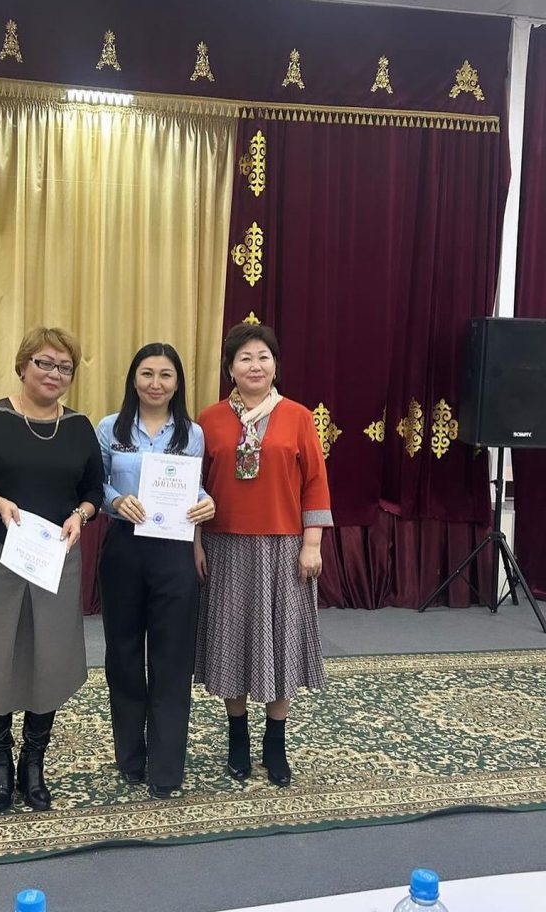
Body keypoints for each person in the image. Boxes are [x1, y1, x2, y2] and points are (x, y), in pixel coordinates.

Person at [0, 326, 103, 814]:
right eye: (44, 363)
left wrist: (82, 516)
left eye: (64, 367)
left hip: (54, 559)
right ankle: (1, 766)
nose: (54, 373)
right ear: (23, 364)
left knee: (48, 658)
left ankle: (34, 763)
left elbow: (94, 489)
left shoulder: (79, 427)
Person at [193, 323, 332, 787]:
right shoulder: (209, 420)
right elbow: (195, 488)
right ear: (230, 368)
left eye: (263, 357)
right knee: (231, 644)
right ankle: (237, 737)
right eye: (245, 358)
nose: (255, 366)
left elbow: (315, 482)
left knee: (281, 645)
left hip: (284, 548)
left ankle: (276, 741)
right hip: (225, 547)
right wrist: (196, 541)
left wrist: (311, 543)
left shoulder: (298, 416)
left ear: (275, 365)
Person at [97, 343, 216, 799]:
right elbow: (95, 483)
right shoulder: (110, 427)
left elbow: (195, 486)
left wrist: (207, 502)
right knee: (124, 656)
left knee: (171, 659)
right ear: (134, 378)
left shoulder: (191, 433)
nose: (155, 383)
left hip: (174, 552)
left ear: (177, 382)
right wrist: (115, 500)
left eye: (166, 375)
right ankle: (130, 757)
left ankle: (166, 767)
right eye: (147, 373)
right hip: (124, 549)